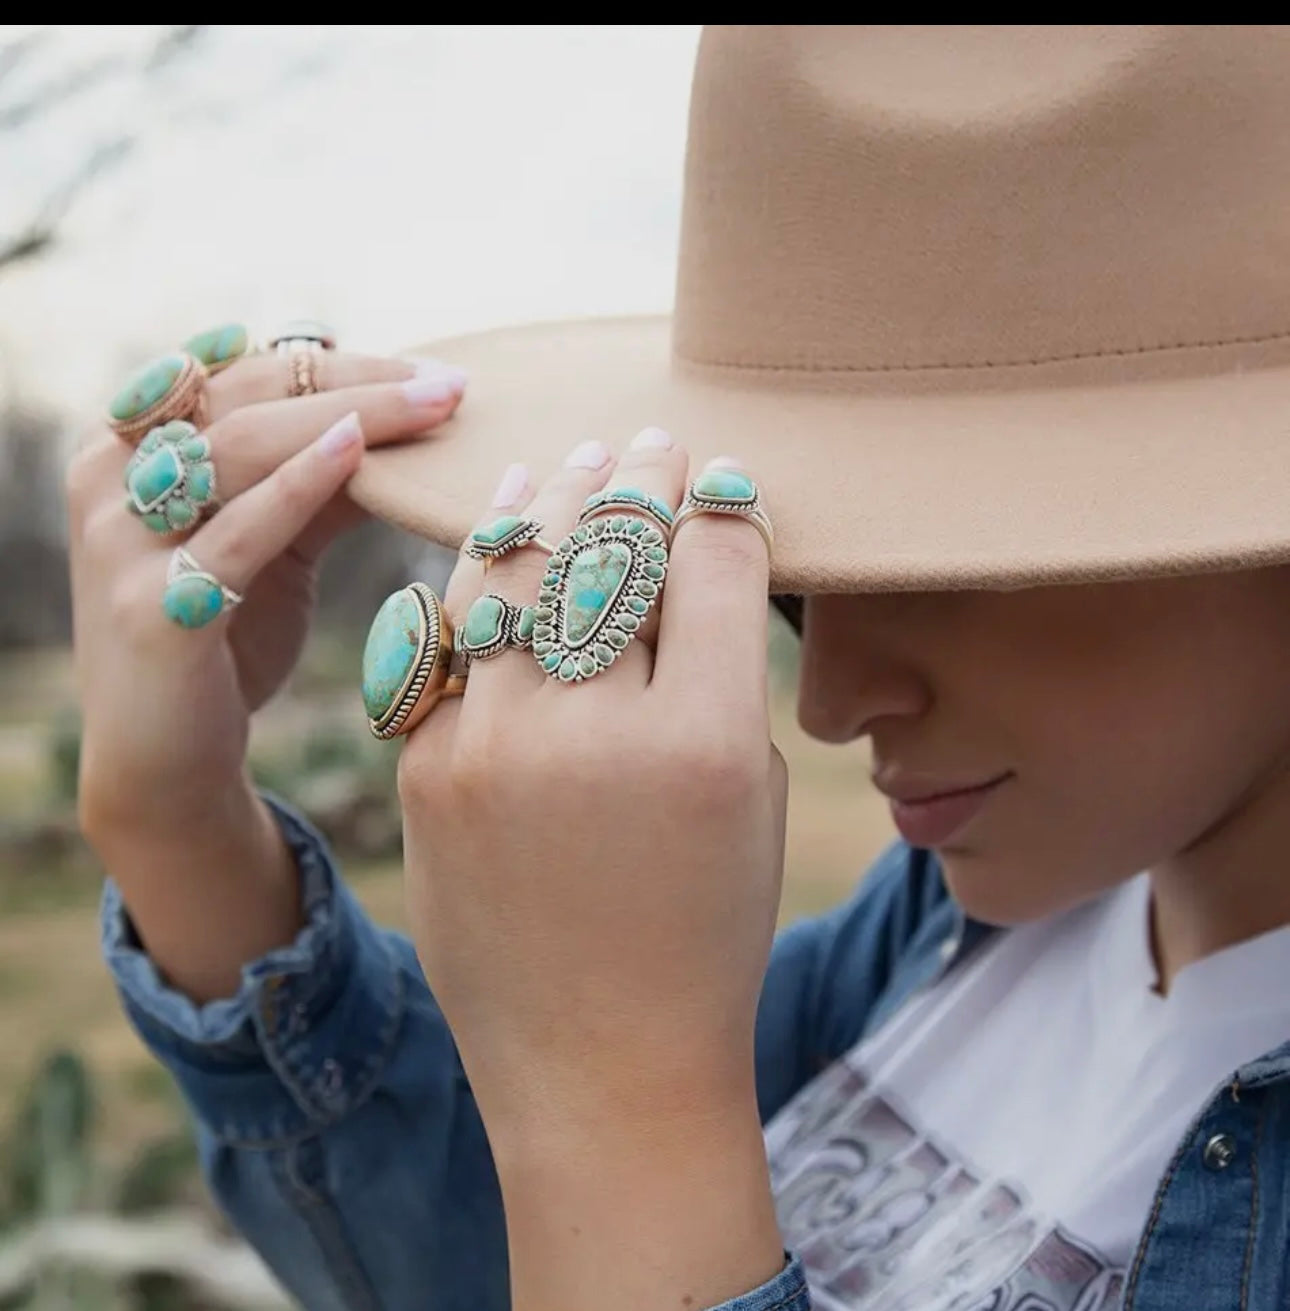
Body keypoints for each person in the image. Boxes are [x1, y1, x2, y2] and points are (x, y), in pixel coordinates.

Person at [69, 25, 1290, 1311]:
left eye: (957, 561)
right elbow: (486, 1256)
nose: (826, 705)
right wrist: (178, 825)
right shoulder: (947, 931)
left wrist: (615, 1114)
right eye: (807, 581)